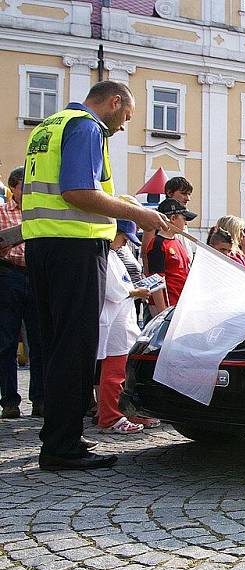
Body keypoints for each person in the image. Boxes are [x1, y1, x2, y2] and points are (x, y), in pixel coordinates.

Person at [22, 80, 169, 470]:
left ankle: (57, 436)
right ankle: (63, 446)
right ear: (114, 101)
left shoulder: (49, 125)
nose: (123, 126)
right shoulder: (87, 126)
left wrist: (123, 202)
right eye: (125, 116)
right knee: (77, 347)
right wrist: (138, 214)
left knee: (55, 346)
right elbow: (77, 192)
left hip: (42, 246)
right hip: (75, 247)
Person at [97, 220, 152, 434]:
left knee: (120, 371)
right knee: (114, 371)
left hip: (121, 319)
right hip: (114, 321)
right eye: (123, 239)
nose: (124, 244)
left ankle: (118, 412)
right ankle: (110, 416)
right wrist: (137, 292)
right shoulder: (106, 254)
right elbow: (114, 289)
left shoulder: (113, 255)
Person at [0, 167, 44, 419]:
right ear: (14, 187)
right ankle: (9, 401)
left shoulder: (39, 211)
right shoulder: (2, 212)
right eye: (27, 186)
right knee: (6, 341)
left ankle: (39, 399)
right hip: (9, 274)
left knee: (39, 340)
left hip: (37, 275)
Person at [145, 198, 195, 312]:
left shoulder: (177, 241)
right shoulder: (158, 243)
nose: (186, 222)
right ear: (173, 218)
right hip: (168, 307)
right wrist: (162, 313)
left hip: (180, 303)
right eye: (184, 218)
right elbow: (156, 280)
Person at [141, 176, 194, 272]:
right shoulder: (157, 217)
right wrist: (150, 278)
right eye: (184, 194)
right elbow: (146, 250)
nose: (188, 198)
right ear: (169, 192)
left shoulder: (182, 216)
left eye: (189, 194)